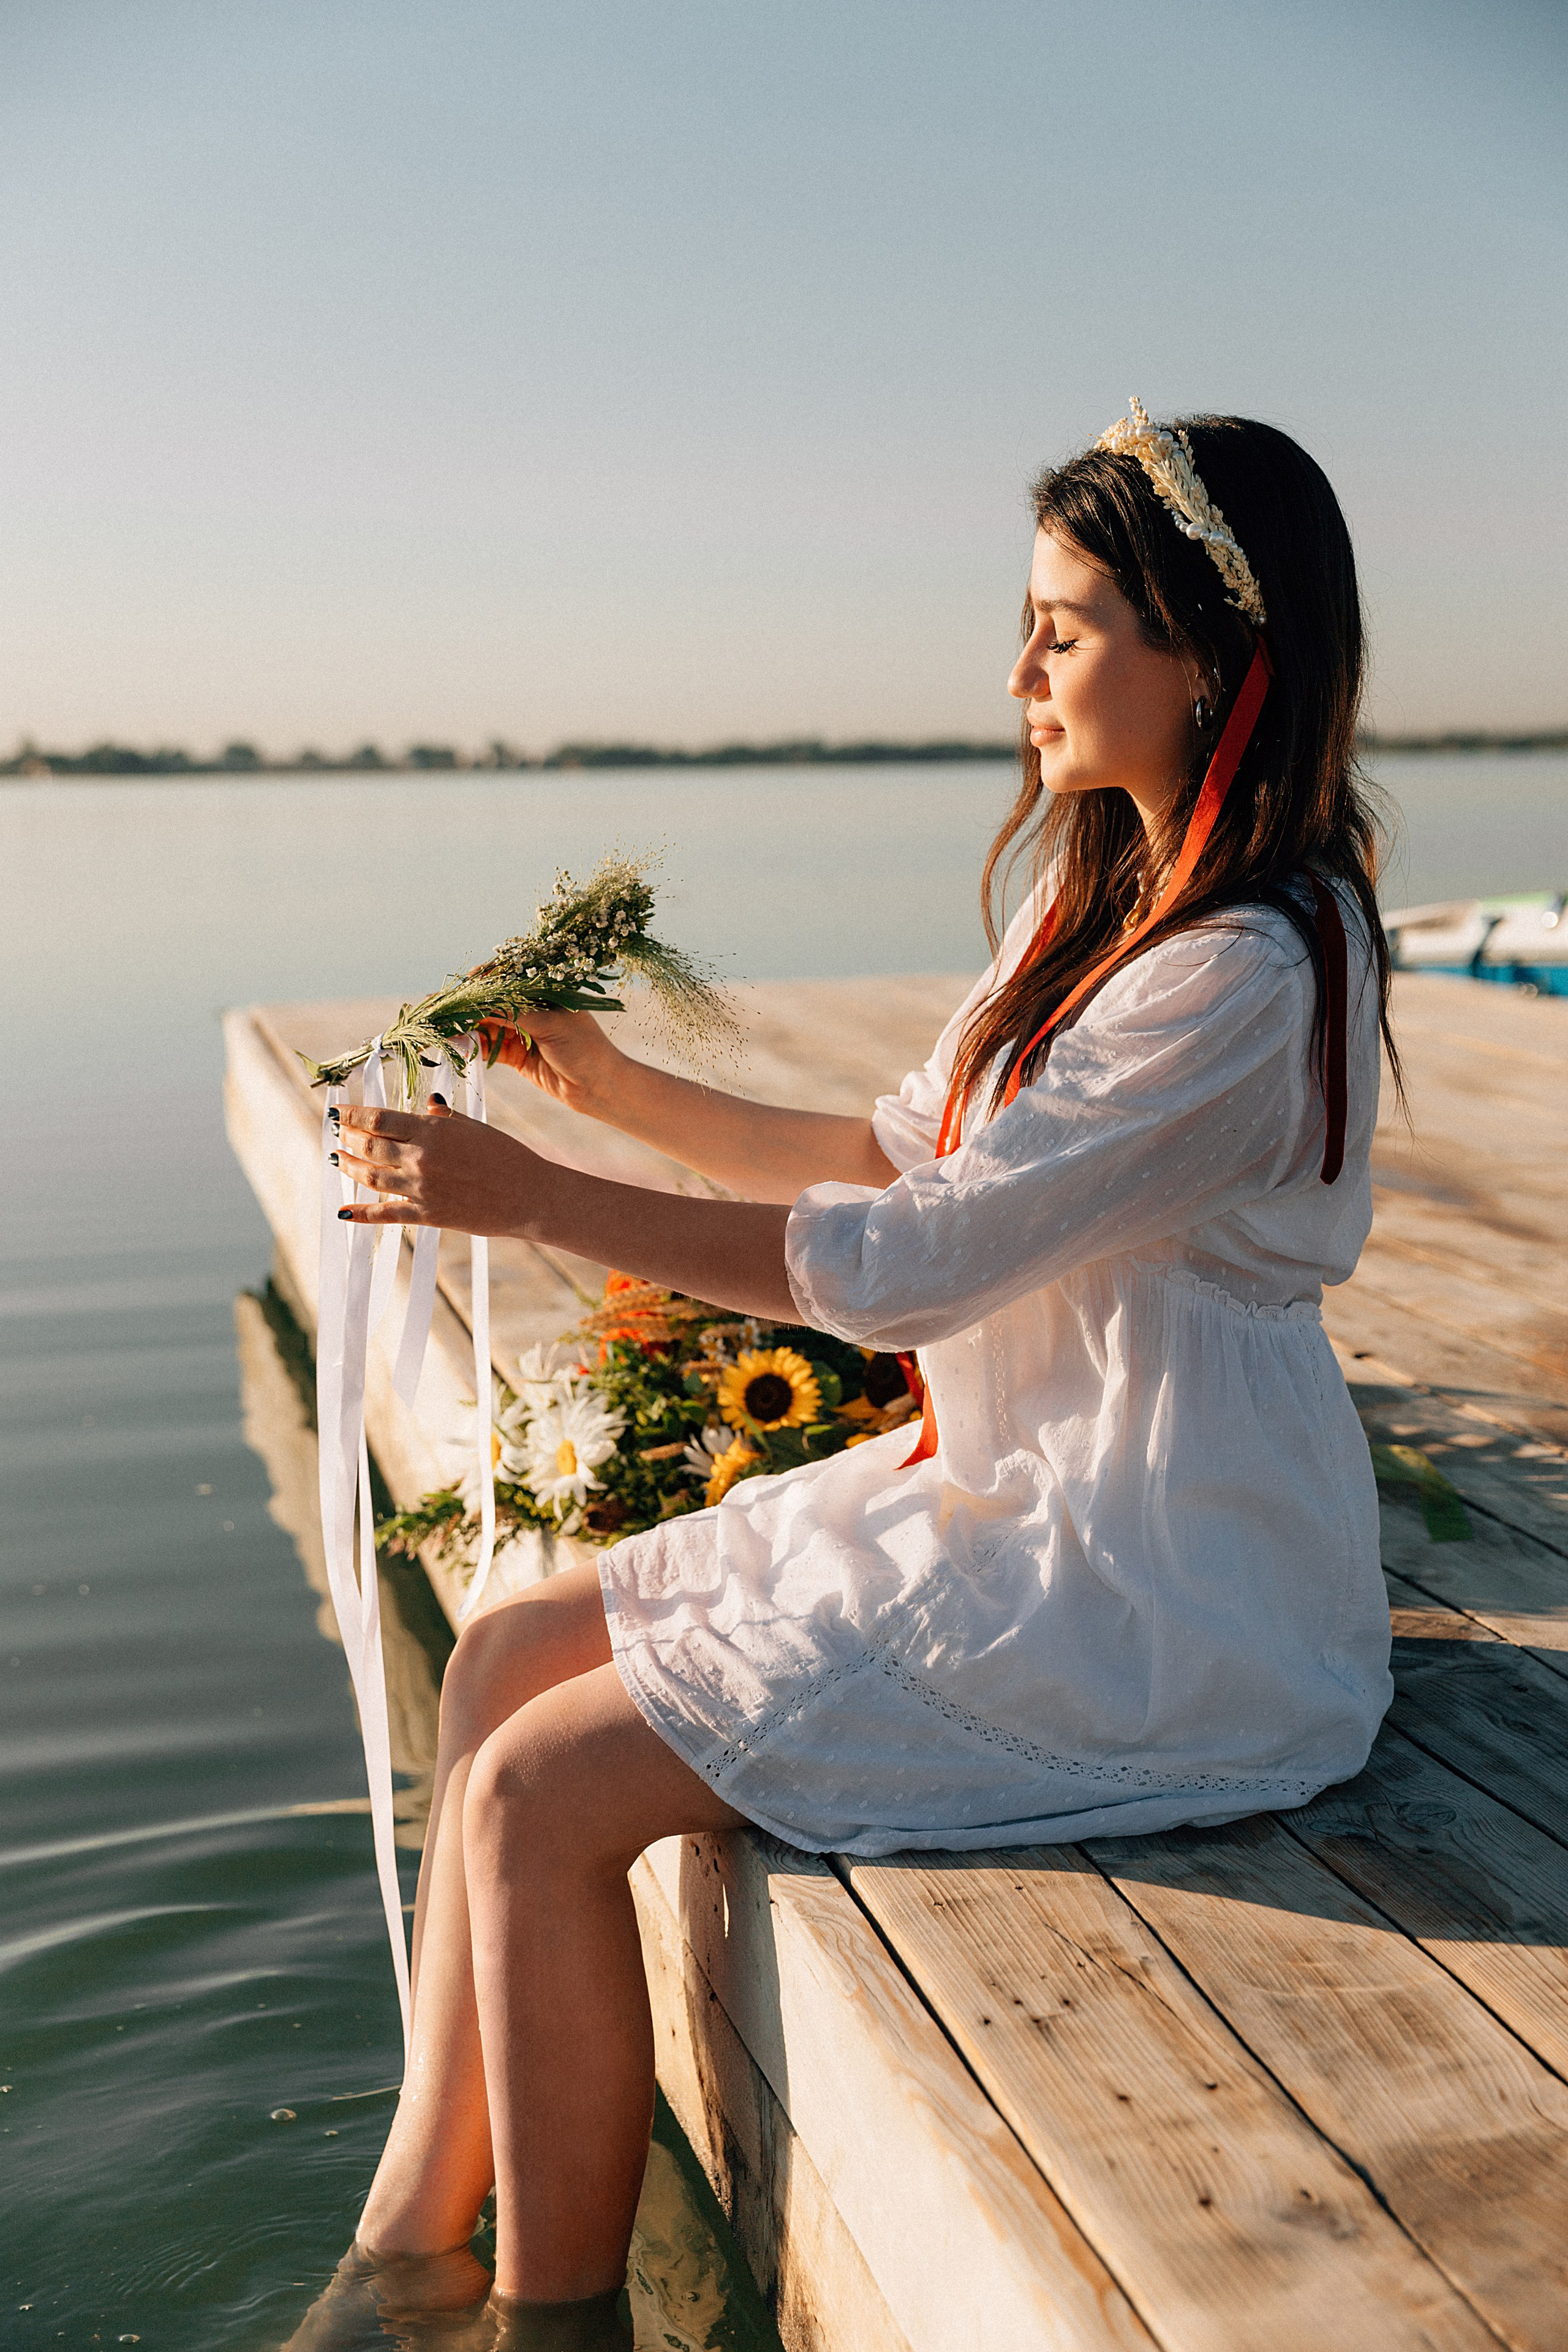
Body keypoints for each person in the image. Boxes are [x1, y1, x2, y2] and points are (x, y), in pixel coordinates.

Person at [313, 404, 1398, 2345]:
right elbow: (901, 1156)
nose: (1020, 673)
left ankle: (551, 2323)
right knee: (499, 1658)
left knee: (542, 1796)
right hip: (1017, 1492)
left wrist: (531, 1198)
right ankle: (406, 2249)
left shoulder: (1247, 971)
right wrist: (607, 1089)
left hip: (1163, 1577)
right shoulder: (1102, 905)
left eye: (1062, 629)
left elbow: (911, 1268)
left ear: (1210, 656)